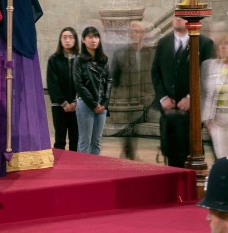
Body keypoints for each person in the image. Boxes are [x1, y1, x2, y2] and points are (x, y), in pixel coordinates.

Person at [151, 16, 215, 167]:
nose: (177, 19)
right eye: (176, 16)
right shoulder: (163, 43)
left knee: (190, 150)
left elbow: (207, 74)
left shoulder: (204, 43)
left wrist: (192, 97)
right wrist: (162, 97)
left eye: (182, 17)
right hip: (168, 107)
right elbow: (155, 71)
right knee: (170, 150)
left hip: (192, 110)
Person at [109, 20, 155, 160]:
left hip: (146, 98)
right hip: (126, 100)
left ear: (143, 34)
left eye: (137, 31)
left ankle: (129, 157)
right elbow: (114, 77)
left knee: (134, 134)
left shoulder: (150, 52)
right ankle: (129, 157)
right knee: (127, 135)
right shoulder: (120, 53)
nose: (134, 34)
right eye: (132, 31)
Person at [73, 26, 112, 155]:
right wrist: (93, 104)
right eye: (90, 37)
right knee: (85, 140)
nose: (93, 40)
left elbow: (109, 82)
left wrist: (104, 103)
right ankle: (83, 172)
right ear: (84, 40)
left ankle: (96, 170)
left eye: (96, 37)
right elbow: (78, 84)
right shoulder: (79, 60)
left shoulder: (104, 59)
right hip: (85, 103)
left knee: (97, 141)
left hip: (102, 104)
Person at [46, 27, 80, 151]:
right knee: (60, 139)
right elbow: (52, 84)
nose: (67, 40)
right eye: (64, 37)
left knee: (75, 138)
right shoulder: (54, 60)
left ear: (75, 40)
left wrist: (76, 101)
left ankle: (75, 168)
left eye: (71, 37)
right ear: (60, 40)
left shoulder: (80, 60)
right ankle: (60, 168)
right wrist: (64, 102)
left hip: (78, 106)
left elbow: (83, 83)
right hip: (59, 106)